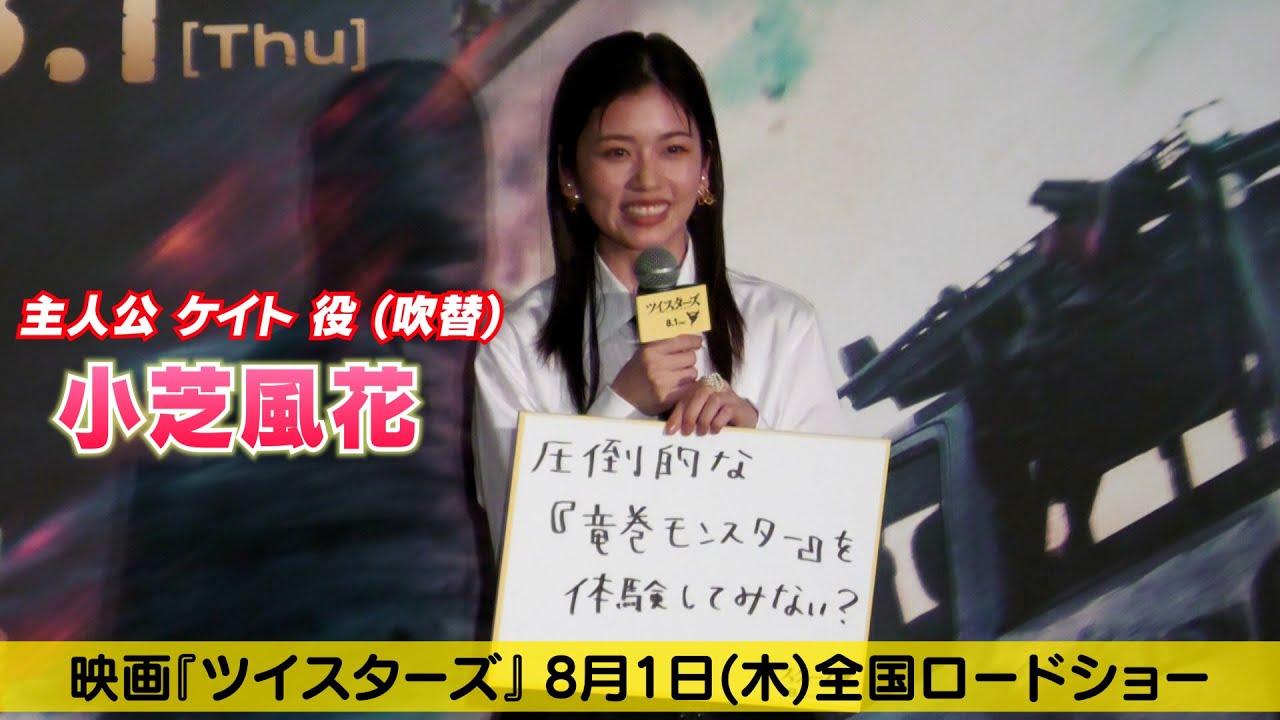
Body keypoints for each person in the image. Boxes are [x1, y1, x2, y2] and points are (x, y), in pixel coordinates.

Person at [472, 29, 850, 559]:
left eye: (673, 150)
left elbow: (838, 540)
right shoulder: (516, 345)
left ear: (705, 168)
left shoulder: (780, 326)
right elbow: (521, 552)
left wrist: (758, 445)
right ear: (569, 174)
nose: (648, 180)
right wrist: (621, 403)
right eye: (617, 153)